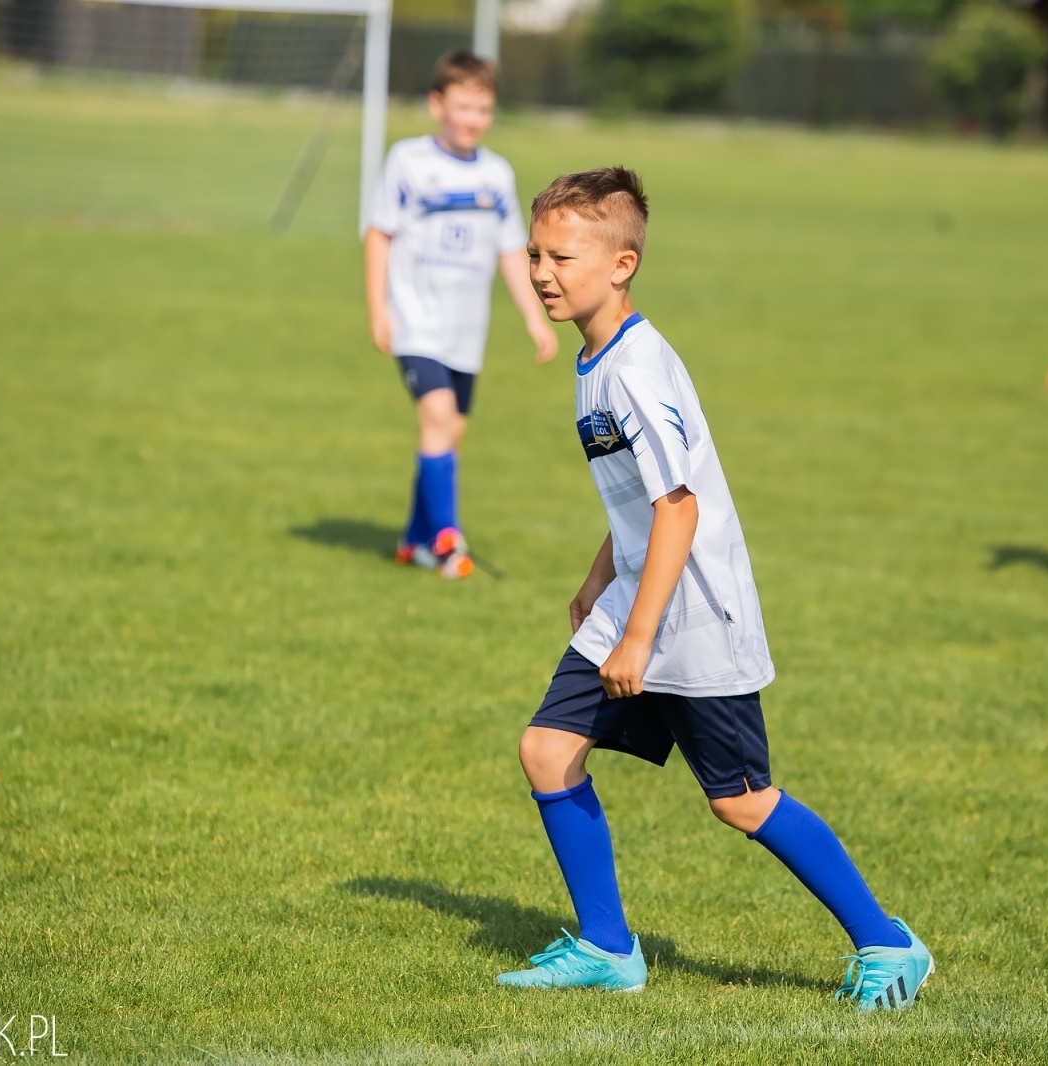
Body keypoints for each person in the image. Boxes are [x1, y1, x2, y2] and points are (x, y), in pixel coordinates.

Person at [496, 166, 933, 1012]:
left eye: (562, 257)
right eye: (534, 254)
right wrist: (599, 580)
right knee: (547, 750)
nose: (542, 272)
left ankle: (887, 941)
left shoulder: (634, 372)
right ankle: (606, 947)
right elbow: (639, 496)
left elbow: (681, 507)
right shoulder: (597, 357)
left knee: (739, 802)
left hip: (692, 613)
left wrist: (638, 634)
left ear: (622, 264)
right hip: (639, 592)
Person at [364, 50, 557, 579]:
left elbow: (511, 250)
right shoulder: (407, 161)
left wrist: (534, 318)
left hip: (466, 333)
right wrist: (378, 307)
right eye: (463, 107)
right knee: (437, 416)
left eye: (483, 109)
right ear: (436, 105)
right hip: (415, 323)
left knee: (448, 434)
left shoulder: (497, 175)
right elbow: (379, 234)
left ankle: (413, 540)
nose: (473, 119)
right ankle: (449, 542)